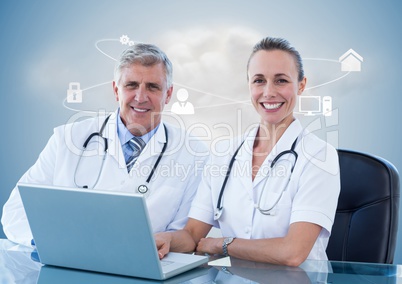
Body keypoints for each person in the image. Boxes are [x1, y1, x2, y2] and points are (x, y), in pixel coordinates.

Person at [156, 37, 341, 266]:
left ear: (301, 85)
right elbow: (192, 235)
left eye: (281, 80)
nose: (269, 92)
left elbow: (292, 253)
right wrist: (166, 239)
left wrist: (222, 244)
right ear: (249, 85)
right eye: (259, 81)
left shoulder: (320, 156)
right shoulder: (224, 152)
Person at [2, 43, 208, 247]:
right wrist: (54, 244)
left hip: (145, 270)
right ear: (116, 90)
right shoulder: (67, 139)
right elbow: (16, 211)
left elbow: (186, 235)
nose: (141, 97)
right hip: (67, 264)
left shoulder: (195, 154)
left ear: (168, 94)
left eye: (153, 87)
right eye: (131, 85)